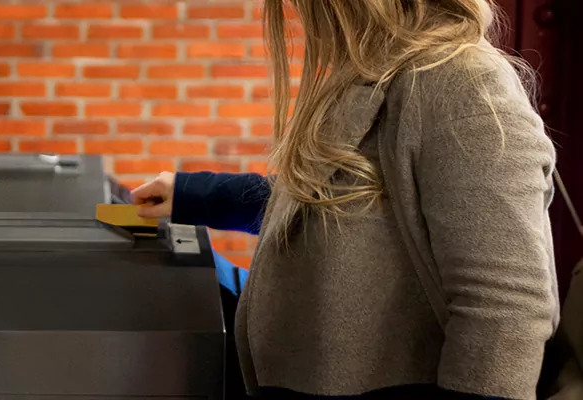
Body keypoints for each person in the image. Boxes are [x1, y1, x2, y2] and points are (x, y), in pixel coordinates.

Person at [130, 1, 560, 399]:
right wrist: (195, 194)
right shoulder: (376, 72)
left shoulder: (462, 85)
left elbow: (505, 310)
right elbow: (337, 204)